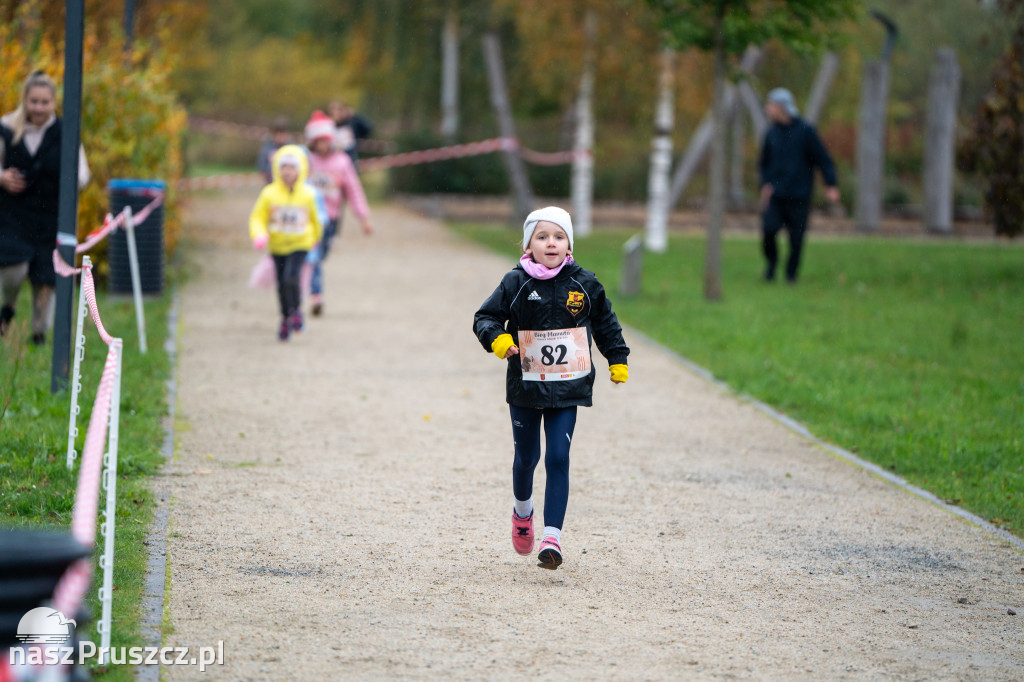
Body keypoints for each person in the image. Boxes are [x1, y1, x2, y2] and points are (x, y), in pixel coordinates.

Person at [473, 206, 630, 569]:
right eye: (542, 237)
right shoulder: (515, 283)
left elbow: (607, 324)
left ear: (569, 243)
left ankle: (552, 538)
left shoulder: (584, 284)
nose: (551, 243)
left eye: (559, 236)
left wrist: (617, 358)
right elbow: (486, 317)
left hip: (567, 388)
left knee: (558, 457)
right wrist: (497, 341)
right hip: (526, 386)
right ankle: (523, 512)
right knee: (528, 458)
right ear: (529, 243)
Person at [0, 71, 90, 345]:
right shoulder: (6, 127)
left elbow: (83, 176)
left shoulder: (65, 131)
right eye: (33, 101)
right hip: (13, 214)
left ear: (53, 103)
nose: (38, 108)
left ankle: (39, 333)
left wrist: (67, 182)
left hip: (51, 216)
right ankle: (8, 307)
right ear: (25, 100)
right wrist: (2, 178)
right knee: (12, 266)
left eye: (44, 102)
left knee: (45, 277)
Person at [757, 87, 840, 284]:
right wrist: (765, 184)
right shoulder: (771, 133)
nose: (767, 109)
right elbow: (764, 163)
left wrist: (831, 185)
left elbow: (823, 159)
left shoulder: (805, 132)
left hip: (799, 195)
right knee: (769, 230)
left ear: (781, 107)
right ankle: (771, 266)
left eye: (770, 105)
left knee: (796, 239)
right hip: (776, 194)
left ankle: (791, 275)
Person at [249, 144, 322, 341]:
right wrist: (259, 235)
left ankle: (296, 310)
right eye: (284, 167)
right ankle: (285, 317)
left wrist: (315, 239)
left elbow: (317, 220)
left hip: (300, 244)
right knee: (281, 283)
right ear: (276, 170)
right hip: (277, 245)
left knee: (292, 277)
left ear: (301, 170)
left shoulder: (308, 194)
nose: (287, 172)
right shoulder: (269, 194)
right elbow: (257, 217)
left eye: (292, 168)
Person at [303, 111, 372, 316]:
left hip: (330, 220)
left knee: (319, 256)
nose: (322, 146)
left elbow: (353, 190)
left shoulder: (342, 162)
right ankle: (317, 295)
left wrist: (363, 218)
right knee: (312, 257)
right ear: (312, 142)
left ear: (331, 140)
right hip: (308, 218)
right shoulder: (307, 161)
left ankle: (312, 285)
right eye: (318, 142)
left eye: (325, 141)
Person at [326, 99, 372, 167]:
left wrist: (355, 115)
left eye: (338, 110)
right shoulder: (327, 125)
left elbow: (368, 129)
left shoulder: (351, 122)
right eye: (333, 111)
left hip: (350, 160)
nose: (335, 113)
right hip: (332, 162)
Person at [257, 116, 292, 184]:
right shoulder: (266, 149)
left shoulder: (292, 148)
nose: (280, 136)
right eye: (278, 133)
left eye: (283, 133)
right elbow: (262, 167)